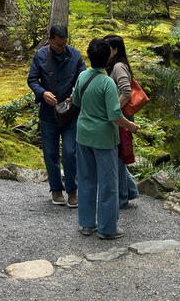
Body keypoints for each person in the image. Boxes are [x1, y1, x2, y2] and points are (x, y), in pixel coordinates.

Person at [72, 38, 137, 240]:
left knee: (85, 179)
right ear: (108, 56)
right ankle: (108, 228)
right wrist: (131, 126)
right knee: (108, 184)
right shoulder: (108, 83)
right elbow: (114, 115)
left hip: (83, 135)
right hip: (104, 138)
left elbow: (75, 101)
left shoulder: (82, 76)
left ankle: (86, 224)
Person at [27, 23, 86, 207]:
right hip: (48, 113)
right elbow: (32, 80)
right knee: (50, 152)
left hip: (70, 112)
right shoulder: (40, 56)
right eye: (57, 45)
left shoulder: (74, 55)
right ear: (50, 39)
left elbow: (83, 75)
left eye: (64, 44)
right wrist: (43, 93)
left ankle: (72, 190)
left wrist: (77, 89)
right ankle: (56, 189)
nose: (61, 48)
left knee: (70, 151)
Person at [104, 32, 141, 209]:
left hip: (120, 115)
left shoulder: (118, 66)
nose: (104, 51)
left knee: (118, 156)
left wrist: (113, 111)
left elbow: (126, 92)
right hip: (120, 115)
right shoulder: (117, 64)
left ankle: (122, 198)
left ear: (115, 50)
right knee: (119, 154)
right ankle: (131, 190)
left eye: (107, 48)